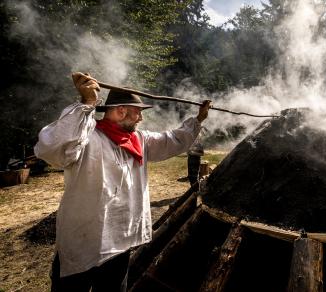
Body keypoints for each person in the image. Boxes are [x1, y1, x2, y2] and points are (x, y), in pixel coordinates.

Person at [34, 72, 211, 291]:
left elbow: (172, 140)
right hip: (83, 244)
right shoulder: (87, 138)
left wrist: (198, 120)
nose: (141, 118)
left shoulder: (140, 139)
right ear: (120, 111)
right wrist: (87, 102)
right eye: (137, 112)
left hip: (120, 242)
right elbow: (51, 148)